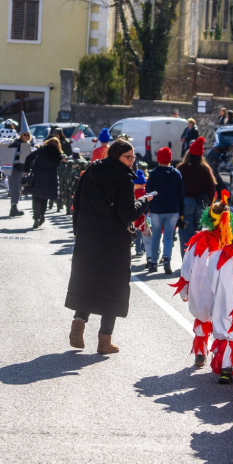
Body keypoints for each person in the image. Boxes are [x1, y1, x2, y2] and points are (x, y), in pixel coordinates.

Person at [65, 139, 154, 354]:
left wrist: (79, 231)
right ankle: (104, 342)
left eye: (133, 157)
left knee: (88, 282)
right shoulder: (123, 179)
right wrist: (146, 201)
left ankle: (78, 325)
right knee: (112, 288)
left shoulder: (91, 172)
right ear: (116, 156)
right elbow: (127, 213)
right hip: (114, 241)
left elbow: (77, 204)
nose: (132, 162)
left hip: (88, 238)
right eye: (128, 157)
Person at [145, 146, 184, 274]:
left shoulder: (153, 174)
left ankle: (153, 263)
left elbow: (148, 193)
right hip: (173, 209)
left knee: (155, 236)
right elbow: (181, 194)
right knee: (168, 236)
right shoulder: (176, 174)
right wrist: (181, 213)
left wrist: (147, 209)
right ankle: (167, 258)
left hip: (157, 209)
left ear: (158, 159)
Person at [177, 136, 217, 255]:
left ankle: (186, 260)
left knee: (185, 233)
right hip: (202, 203)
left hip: (186, 202)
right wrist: (211, 206)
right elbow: (212, 189)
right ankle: (196, 259)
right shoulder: (205, 169)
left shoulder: (181, 168)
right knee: (199, 233)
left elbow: (177, 188)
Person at [29, 136, 64, 229]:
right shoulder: (58, 155)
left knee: (36, 198)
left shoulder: (41, 150)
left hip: (38, 176)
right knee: (44, 199)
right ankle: (42, 216)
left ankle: (36, 217)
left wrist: (27, 169)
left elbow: (29, 157)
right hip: (50, 179)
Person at [4, 126, 33, 216]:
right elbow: (8, 153)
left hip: (20, 169)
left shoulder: (27, 144)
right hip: (14, 169)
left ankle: (14, 208)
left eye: (28, 135)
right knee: (15, 188)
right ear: (21, 135)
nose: (26, 136)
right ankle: (13, 209)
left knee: (18, 188)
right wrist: (18, 154)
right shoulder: (16, 143)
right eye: (25, 135)